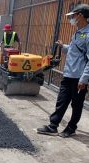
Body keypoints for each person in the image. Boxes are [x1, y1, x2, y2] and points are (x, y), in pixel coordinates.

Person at [37, 4, 89, 138]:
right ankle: (53, 126)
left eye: (73, 15)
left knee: (76, 104)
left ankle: (71, 127)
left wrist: (84, 79)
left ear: (81, 15)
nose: (71, 18)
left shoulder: (88, 35)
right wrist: (63, 46)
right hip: (68, 73)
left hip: (79, 76)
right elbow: (73, 50)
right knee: (62, 100)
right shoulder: (77, 32)